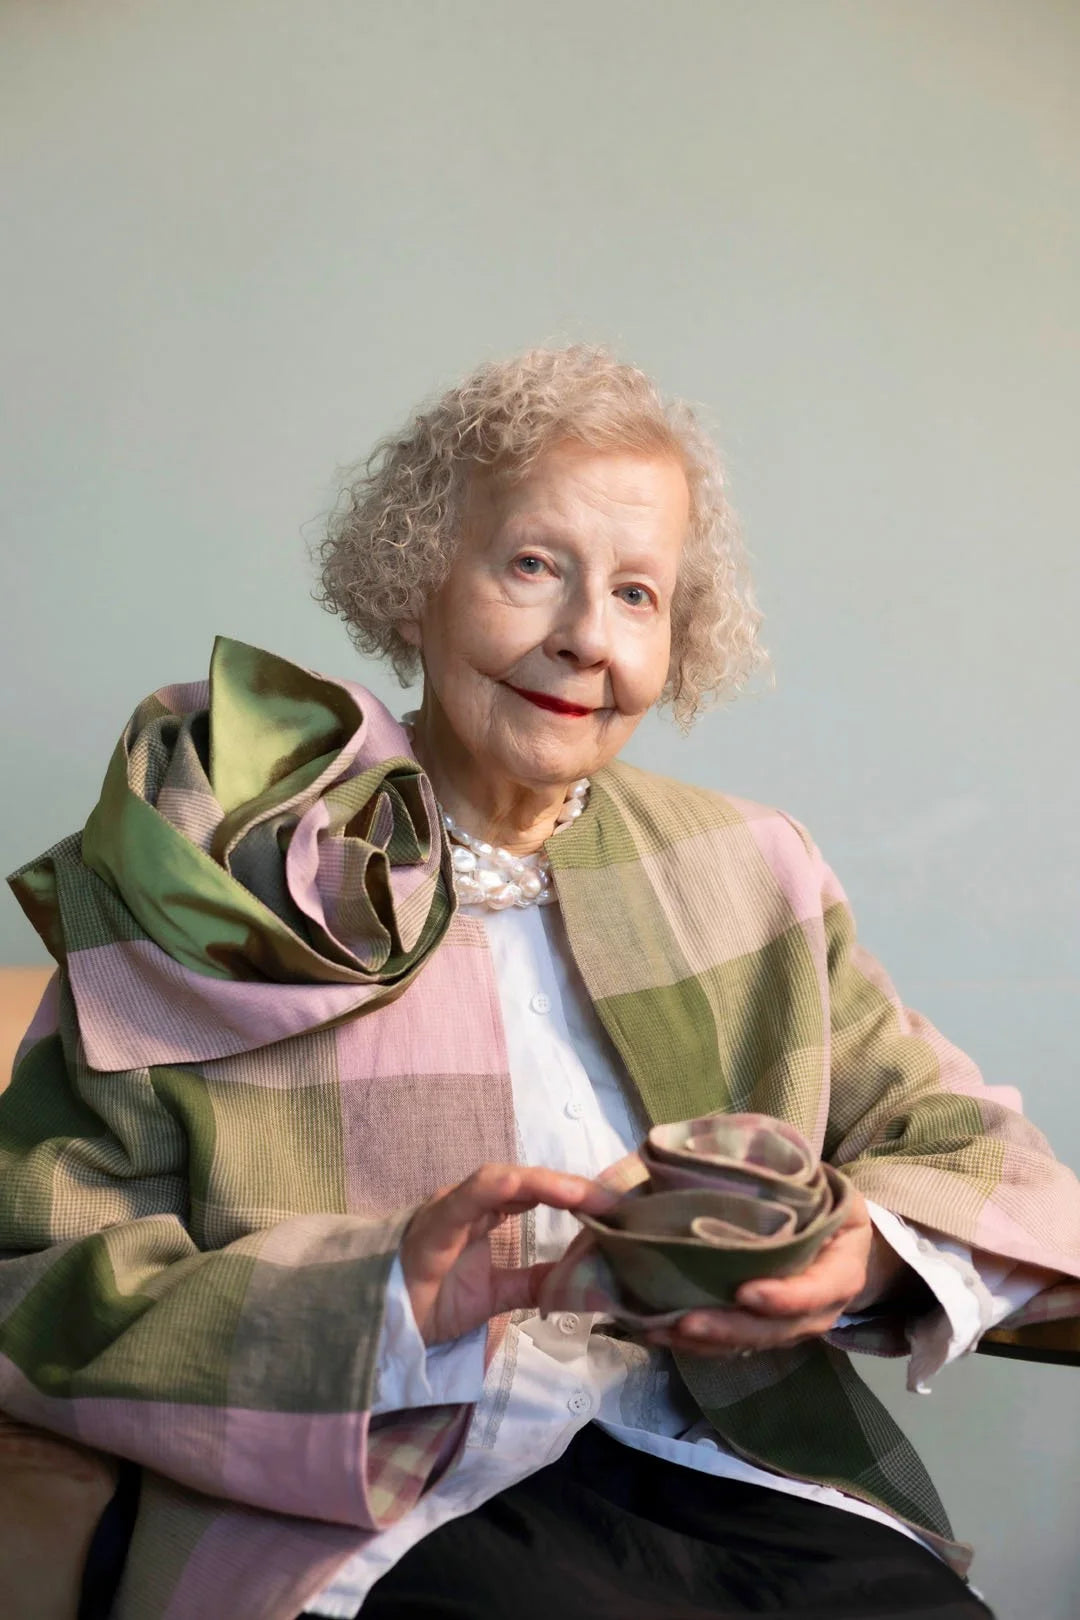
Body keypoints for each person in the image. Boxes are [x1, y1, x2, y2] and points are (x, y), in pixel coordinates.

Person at [2, 345, 1078, 1620]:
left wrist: (863, 1259)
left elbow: (969, 1146)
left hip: (740, 1464)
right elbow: (38, 1270)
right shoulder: (226, 854)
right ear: (418, 583)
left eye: (638, 595)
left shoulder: (749, 868)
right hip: (370, 1489)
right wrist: (385, 1302)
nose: (584, 640)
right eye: (531, 567)